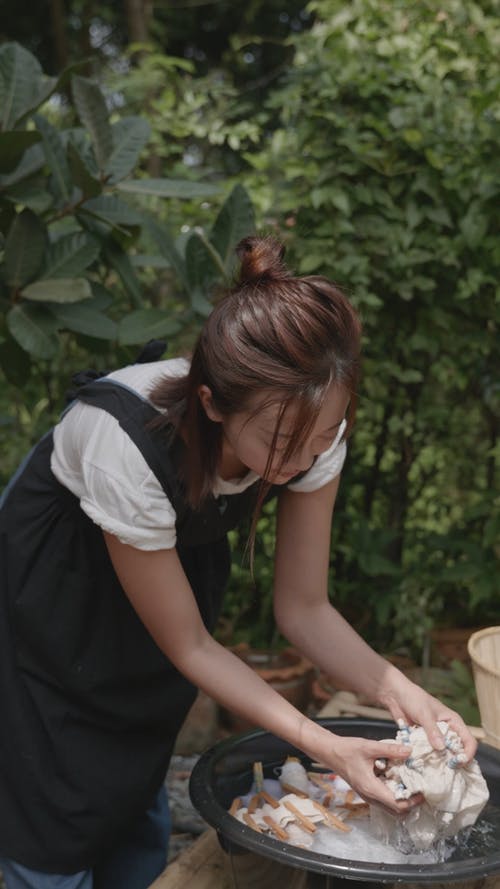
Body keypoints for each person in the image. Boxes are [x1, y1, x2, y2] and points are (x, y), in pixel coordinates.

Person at [0, 236, 475, 889]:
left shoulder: (307, 426)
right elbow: (193, 644)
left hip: (158, 577)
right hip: (55, 583)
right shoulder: (126, 441)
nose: (300, 461)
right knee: (49, 783)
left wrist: (406, 694)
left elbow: (303, 607)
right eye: (282, 444)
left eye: (318, 440)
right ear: (211, 402)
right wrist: (325, 742)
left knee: (133, 764)